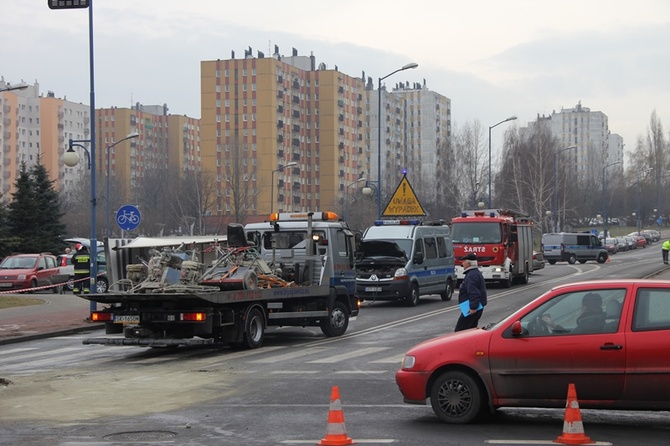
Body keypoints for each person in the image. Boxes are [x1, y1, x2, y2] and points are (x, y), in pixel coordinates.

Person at [455, 252, 487, 332]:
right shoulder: (475, 273)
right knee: (471, 331)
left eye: (463, 262)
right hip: (476, 307)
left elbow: (474, 293)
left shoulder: (471, 276)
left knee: (460, 331)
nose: (462, 264)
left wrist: (473, 307)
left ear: (468, 263)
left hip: (471, 309)